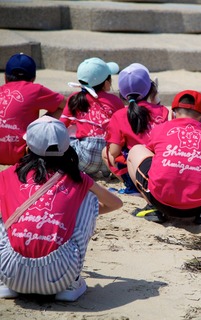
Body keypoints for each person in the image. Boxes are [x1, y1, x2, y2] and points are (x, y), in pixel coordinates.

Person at [0, 116, 122, 301]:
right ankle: (72, 283)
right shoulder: (77, 179)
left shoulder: (9, 175)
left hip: (10, 271)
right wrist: (68, 214)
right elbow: (116, 203)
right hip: (60, 275)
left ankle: (6, 284)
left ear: (28, 148)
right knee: (88, 200)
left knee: (5, 207)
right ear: (67, 148)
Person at [127, 90, 201, 225]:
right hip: (199, 205)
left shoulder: (162, 128)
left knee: (136, 150)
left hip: (160, 200)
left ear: (173, 113)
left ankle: (153, 207)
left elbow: (151, 152)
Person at [103, 63, 169, 194]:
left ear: (122, 93)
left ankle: (132, 185)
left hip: (138, 169)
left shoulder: (119, 115)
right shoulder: (163, 111)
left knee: (106, 152)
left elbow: (114, 152)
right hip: (162, 169)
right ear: (151, 89)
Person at [61, 57, 124, 176]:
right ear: (106, 83)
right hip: (109, 160)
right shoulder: (115, 101)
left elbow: (61, 126)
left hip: (83, 160)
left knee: (70, 129)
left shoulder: (74, 99)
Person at [0, 53, 66, 165]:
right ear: (33, 78)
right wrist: (42, 122)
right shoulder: (36, 90)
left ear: (5, 76)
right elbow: (67, 104)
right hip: (23, 156)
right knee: (60, 109)